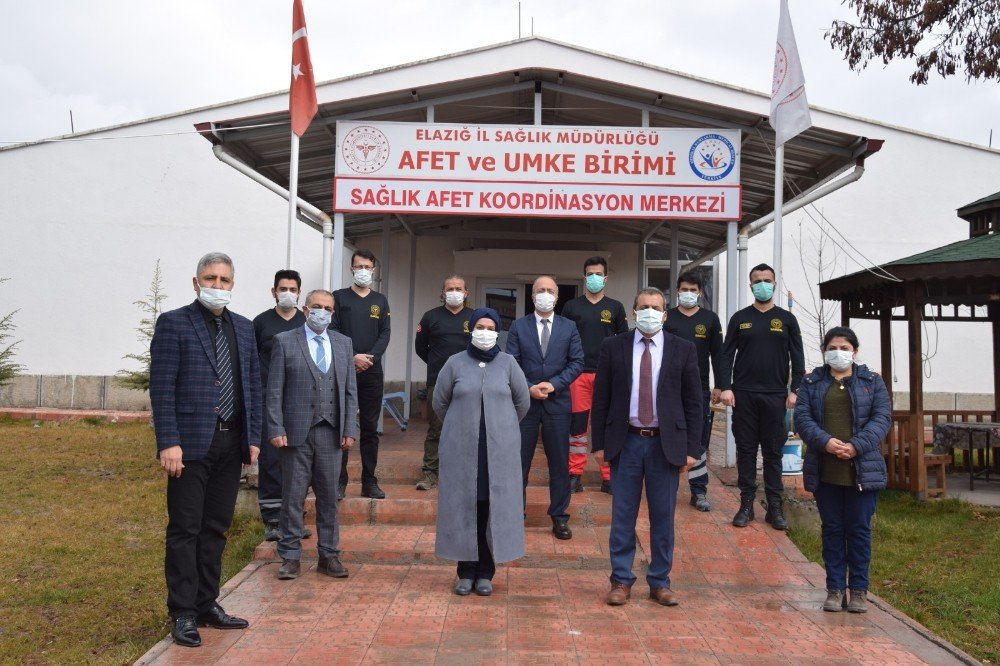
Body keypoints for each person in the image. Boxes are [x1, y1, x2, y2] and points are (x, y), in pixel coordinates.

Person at [150, 252, 261, 648]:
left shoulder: (245, 329)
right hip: (190, 444)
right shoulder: (174, 323)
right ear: (196, 282)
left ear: (233, 284)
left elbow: (252, 386)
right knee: (185, 529)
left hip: (231, 443)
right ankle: (182, 612)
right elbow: (162, 387)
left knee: (216, 527)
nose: (218, 285)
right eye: (210, 278)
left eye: (225, 279)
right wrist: (168, 441)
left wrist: (253, 437)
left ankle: (206, 603)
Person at [592, 287, 701, 607]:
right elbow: (601, 398)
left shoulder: (683, 349)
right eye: (643, 307)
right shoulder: (614, 347)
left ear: (665, 314)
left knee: (663, 516)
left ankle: (660, 580)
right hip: (625, 443)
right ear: (634, 312)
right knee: (622, 515)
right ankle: (621, 580)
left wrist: (692, 449)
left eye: (655, 307)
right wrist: (599, 443)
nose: (649, 312)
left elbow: (694, 403)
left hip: (665, 446)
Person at [433, 308, 531, 596]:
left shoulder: (509, 364)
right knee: (466, 508)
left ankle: (486, 572)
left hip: (498, 454)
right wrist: (460, 426)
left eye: (491, 327)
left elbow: (522, 403)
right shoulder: (454, 363)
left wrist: (501, 426)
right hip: (462, 452)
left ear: (498, 331)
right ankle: (465, 572)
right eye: (480, 326)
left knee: (491, 510)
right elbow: (440, 403)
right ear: (471, 329)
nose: (485, 332)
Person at [794, 327, 891, 614]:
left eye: (845, 347)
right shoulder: (811, 381)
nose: (839, 352)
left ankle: (859, 591)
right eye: (833, 347)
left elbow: (881, 419)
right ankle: (835, 589)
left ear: (855, 351)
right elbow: (802, 418)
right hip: (826, 470)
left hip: (862, 470)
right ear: (825, 350)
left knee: (859, 531)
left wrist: (856, 446)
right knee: (833, 530)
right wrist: (825, 442)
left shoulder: (872, 382)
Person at [267, 290, 359, 581]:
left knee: (329, 497)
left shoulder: (343, 344)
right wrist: (276, 427)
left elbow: (350, 391)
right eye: (317, 307)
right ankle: (290, 556)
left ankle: (328, 555)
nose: (322, 312)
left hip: (331, 433)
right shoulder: (284, 341)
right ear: (305, 310)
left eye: (328, 308)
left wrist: (349, 429)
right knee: (293, 496)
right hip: (295, 432)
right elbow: (274, 390)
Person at [718, 263, 804, 530]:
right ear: (750, 285)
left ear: (775, 284)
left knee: (772, 452)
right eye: (758, 281)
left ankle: (774, 508)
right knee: (745, 450)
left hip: (776, 396)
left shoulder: (787, 319)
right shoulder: (740, 318)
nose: (763, 284)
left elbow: (798, 356)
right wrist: (725, 386)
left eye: (767, 280)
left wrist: (796, 390)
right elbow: (725, 355)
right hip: (743, 395)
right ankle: (746, 504)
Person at [506, 276, 584, 540]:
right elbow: (512, 361)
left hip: (558, 402)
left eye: (550, 290)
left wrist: (554, 384)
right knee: (519, 462)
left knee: (559, 464)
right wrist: (528, 387)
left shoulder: (569, 326)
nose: (545, 294)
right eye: (540, 290)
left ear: (557, 295)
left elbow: (576, 362)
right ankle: (515, 514)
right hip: (525, 403)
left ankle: (560, 517)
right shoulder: (518, 326)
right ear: (532, 296)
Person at [561, 256, 628, 495]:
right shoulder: (571, 307)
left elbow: (624, 343)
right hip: (578, 375)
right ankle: (574, 475)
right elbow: (563, 340)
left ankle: (609, 477)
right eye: (590, 274)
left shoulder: (616, 307)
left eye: (598, 274)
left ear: (606, 278)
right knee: (577, 428)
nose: (594, 278)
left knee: (607, 427)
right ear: (584, 276)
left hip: (607, 377)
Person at [252, 269, 307, 542]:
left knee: (298, 460)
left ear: (299, 292)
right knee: (272, 458)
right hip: (267, 399)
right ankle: (272, 519)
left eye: (293, 289)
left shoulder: (305, 322)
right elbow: (251, 361)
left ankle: (294, 517)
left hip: (297, 401)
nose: (288, 294)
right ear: (273, 291)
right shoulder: (261, 323)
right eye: (283, 289)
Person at [331, 249, 390, 500]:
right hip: (344, 370)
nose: (363, 271)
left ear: (373, 269)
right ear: (351, 269)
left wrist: (370, 358)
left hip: (372, 372)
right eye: (358, 266)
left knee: (369, 428)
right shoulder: (339, 298)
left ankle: (369, 481)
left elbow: (385, 333)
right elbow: (333, 331)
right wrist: (352, 356)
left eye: (367, 267)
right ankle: (339, 482)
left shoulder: (380, 300)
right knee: (342, 426)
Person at [666, 271, 725, 512]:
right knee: (666, 437)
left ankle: (698, 490)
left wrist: (720, 385)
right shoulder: (666, 318)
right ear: (677, 291)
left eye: (693, 290)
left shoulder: (710, 319)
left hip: (698, 389)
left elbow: (719, 355)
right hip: (668, 389)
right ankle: (665, 487)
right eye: (684, 289)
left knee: (698, 440)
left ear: (700, 292)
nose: (688, 294)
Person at [414, 275, 472, 490]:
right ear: (442, 293)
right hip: (438, 381)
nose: (454, 292)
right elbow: (421, 348)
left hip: (468, 383)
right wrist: (438, 364)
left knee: (468, 430)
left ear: (466, 293)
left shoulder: (474, 317)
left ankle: (464, 473)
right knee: (436, 429)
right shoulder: (430, 317)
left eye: (458, 288)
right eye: (450, 288)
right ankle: (430, 474)